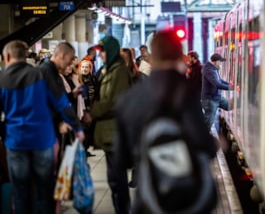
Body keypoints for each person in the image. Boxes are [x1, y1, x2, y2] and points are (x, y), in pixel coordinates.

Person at [114, 30, 218, 214]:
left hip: (150, 201)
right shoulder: (186, 91)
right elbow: (205, 146)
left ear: (152, 57)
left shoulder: (128, 99)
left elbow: (121, 160)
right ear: (180, 55)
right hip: (188, 200)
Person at [0, 40, 84, 214]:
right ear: (24, 57)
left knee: (21, 192)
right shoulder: (40, 75)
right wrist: (77, 128)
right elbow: (61, 103)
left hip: (16, 142)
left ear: (6, 57)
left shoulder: (2, 80)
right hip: (43, 140)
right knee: (44, 191)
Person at [83, 36, 132, 214]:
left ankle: (123, 210)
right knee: (114, 179)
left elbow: (114, 101)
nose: (100, 54)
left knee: (117, 179)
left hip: (115, 132)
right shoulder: (109, 69)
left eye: (103, 51)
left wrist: (92, 114)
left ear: (110, 51)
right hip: (109, 132)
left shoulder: (119, 72)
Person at [201, 53, 233, 131]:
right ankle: (202, 138)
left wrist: (230, 85)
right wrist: (231, 88)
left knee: (230, 105)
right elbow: (217, 84)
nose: (221, 63)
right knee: (208, 121)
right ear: (215, 61)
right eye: (220, 61)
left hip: (216, 97)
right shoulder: (209, 70)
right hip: (210, 100)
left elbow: (220, 81)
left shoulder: (214, 69)